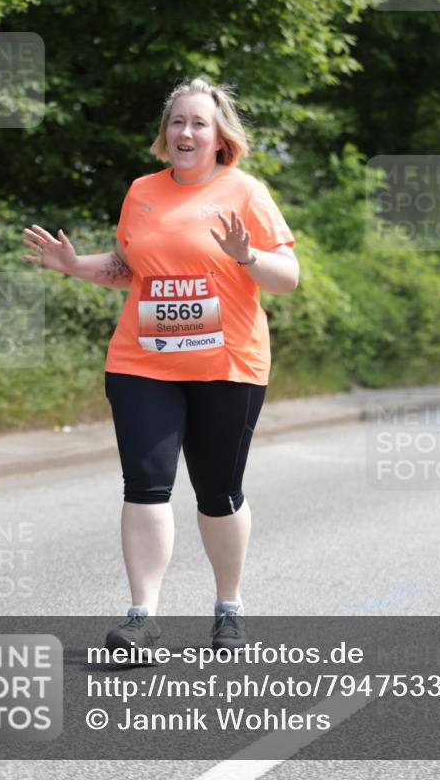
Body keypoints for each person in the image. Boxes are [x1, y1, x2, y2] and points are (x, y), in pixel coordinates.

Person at [22, 77, 299, 650]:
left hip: (228, 365)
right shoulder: (142, 190)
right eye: (177, 122)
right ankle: (141, 619)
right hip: (143, 361)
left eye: (199, 123)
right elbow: (129, 266)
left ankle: (228, 607)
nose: (186, 132)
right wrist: (72, 265)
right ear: (164, 133)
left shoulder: (244, 191)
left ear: (220, 137)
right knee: (145, 485)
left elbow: (288, 279)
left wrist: (247, 256)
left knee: (217, 494)